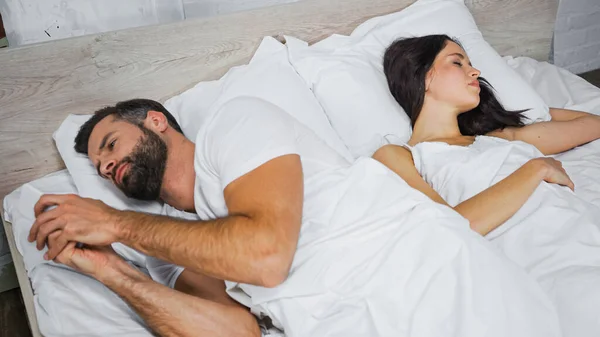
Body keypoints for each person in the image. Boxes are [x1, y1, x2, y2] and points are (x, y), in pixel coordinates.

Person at [28, 98, 563, 336]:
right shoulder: (163, 247)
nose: (107, 166)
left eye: (111, 144)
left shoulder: (232, 124)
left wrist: (117, 224)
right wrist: (111, 269)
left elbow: (265, 255)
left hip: (423, 274)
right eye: (101, 169)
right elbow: (235, 331)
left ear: (156, 121)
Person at [375, 34, 600, 337]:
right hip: (545, 260)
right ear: (423, 77)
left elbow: (593, 124)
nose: (475, 72)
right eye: (457, 62)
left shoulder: (501, 137)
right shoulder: (402, 156)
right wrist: (533, 170)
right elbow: (451, 228)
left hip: (585, 232)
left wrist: (533, 111)